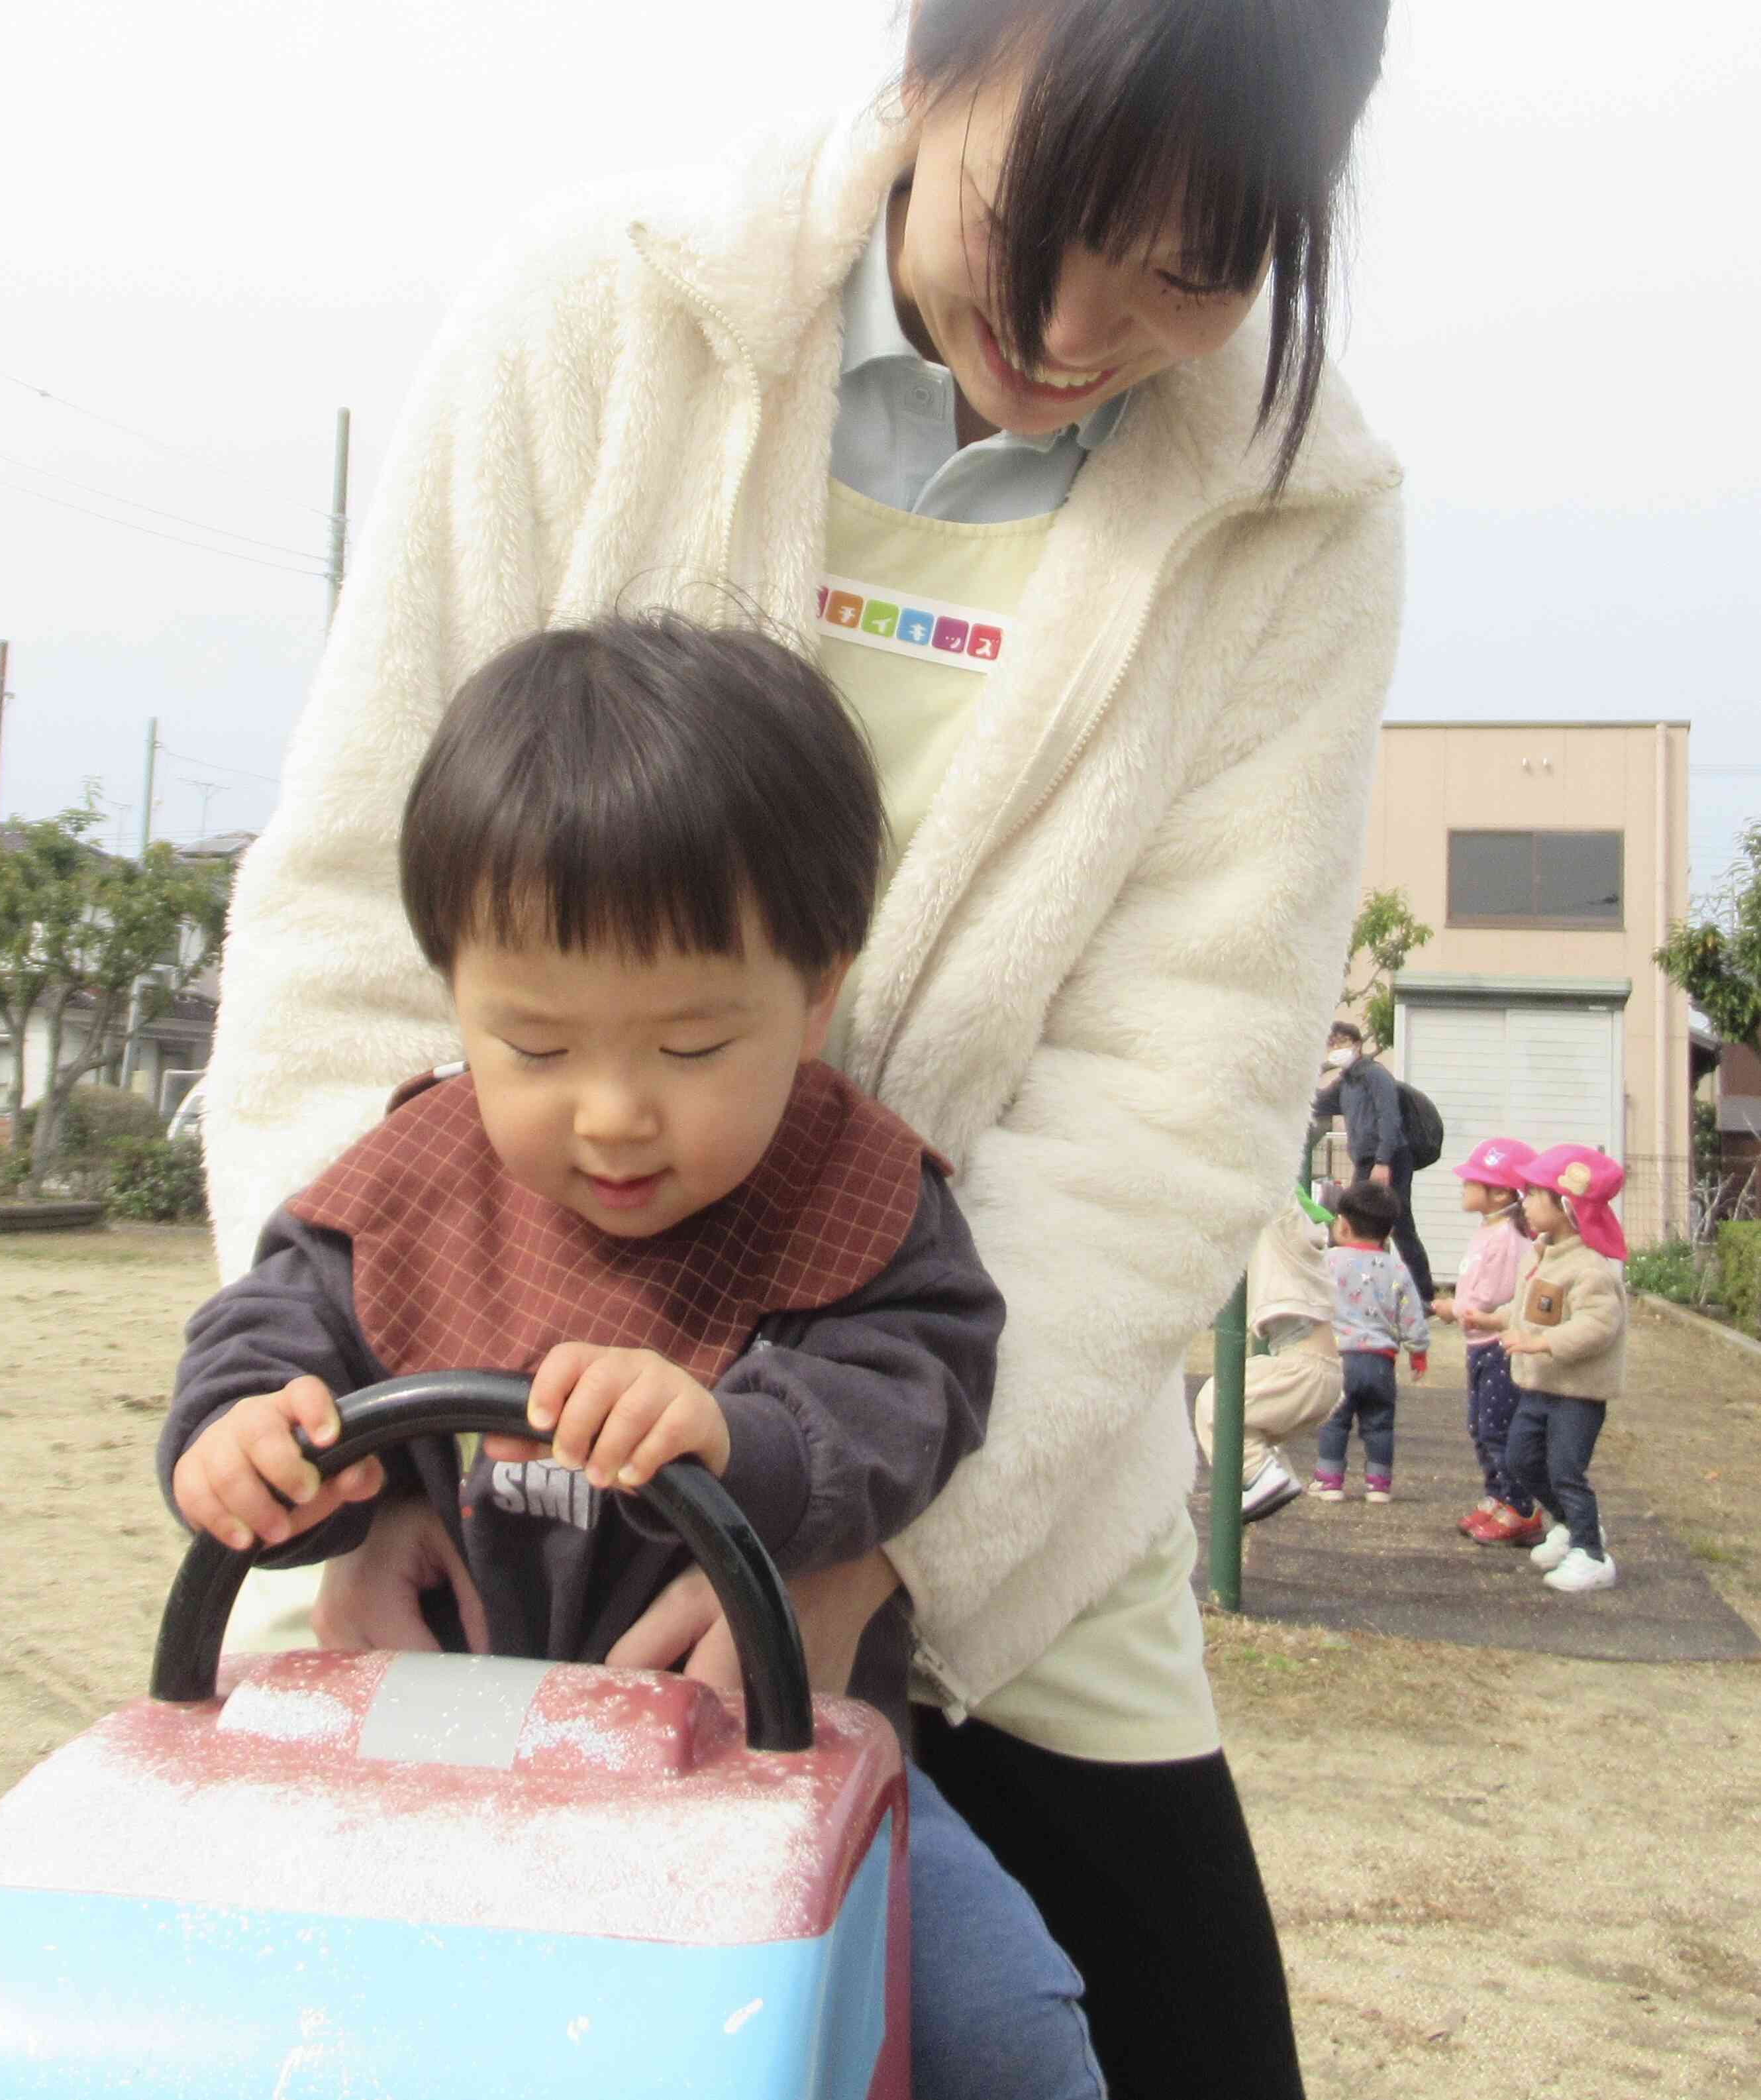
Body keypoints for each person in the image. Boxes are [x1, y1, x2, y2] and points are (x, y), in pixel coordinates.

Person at [203, 4, 1403, 2093]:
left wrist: (871, 1542)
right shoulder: (604, 317)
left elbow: (1167, 1107)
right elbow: (350, 928)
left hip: (971, 1421)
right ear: (928, 73)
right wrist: (380, 1448)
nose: (1081, 323)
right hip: (491, 1443)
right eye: (1045, 223)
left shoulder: (1294, 514)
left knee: (1159, 2038)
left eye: (1197, 270)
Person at [164, 618, 1100, 2095]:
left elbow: (926, 1382)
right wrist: (253, 1442)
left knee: (1007, 2027)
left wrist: (741, 1437)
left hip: (759, 1773)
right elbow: (277, 1327)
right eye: (534, 1046)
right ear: (452, 993)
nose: (610, 1113)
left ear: (815, 989)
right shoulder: (412, 1173)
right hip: (428, 1753)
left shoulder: (857, 1194)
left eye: (686, 1048)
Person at [1503, 1145, 1630, 1595]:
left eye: (1533, 1193)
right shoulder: (1541, 1255)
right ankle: (1574, 1527)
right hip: (1540, 1387)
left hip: (1576, 1393)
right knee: (1519, 1458)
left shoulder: (1589, 1267)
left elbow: (1598, 1326)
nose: (1525, 1203)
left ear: (1565, 1204)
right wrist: (1493, 1320)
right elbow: (1527, 1313)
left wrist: (1541, 1343)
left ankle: (1592, 1554)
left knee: (1565, 1471)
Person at [1194, 1185, 1342, 1524]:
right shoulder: (1301, 1251)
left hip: (1305, 1372)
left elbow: (1271, 1186)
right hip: (1314, 1372)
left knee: (1217, 1401)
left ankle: (1262, 1474)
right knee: (1241, 1415)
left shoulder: (1284, 1221)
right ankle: (1271, 1472)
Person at [1431, 1137, 1540, 1546]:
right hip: (1479, 1345)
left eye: (1473, 1180)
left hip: (1497, 1347)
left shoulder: (1506, 1241)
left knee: (1498, 1428)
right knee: (1481, 1426)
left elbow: (1490, 1302)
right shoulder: (1489, 1231)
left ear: (1500, 1193)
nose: (1464, 1186)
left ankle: (1520, 1506)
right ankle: (1497, 1496)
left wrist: (1453, 1309)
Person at [1309, 1181, 1429, 1502]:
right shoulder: (1396, 1267)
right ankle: (1378, 1484)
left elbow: (1312, 1300)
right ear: (1388, 1234)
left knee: (1335, 1421)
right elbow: (1412, 1312)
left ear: (1343, 1226)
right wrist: (1418, 1350)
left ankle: (1330, 1481)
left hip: (1340, 1357)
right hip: (1380, 1360)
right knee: (1379, 1423)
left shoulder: (1329, 1262)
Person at [1319, 1019, 1436, 1302]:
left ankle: (1423, 1297)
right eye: (1332, 1044)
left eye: (1342, 1042)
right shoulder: (1346, 1083)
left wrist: (1383, 1162)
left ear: (1357, 1045)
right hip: (1364, 1160)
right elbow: (1317, 1102)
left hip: (1390, 1157)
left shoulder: (1374, 1075)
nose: (1337, 1049)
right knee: (1357, 1219)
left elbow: (1389, 1117)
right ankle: (1365, 1288)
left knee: (1399, 1224)